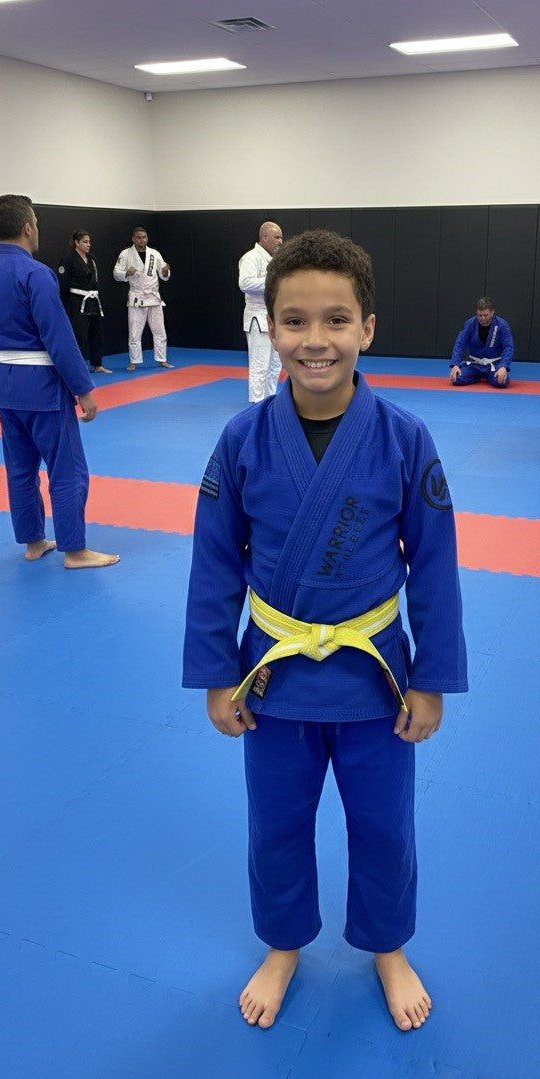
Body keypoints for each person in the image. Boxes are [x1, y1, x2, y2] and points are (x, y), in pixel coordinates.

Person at [183, 230, 467, 1033]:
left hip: (376, 678)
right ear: (270, 327)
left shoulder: (404, 438)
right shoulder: (241, 440)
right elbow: (213, 565)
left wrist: (431, 679)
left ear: (367, 328)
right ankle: (282, 945)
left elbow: (436, 566)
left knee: (383, 823)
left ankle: (386, 947)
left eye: (337, 320)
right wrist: (213, 673)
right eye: (297, 320)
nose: (317, 340)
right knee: (275, 823)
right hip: (272, 679)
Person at [0, 194, 120, 569]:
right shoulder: (36, 274)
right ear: (27, 228)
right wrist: (83, 390)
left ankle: (34, 542)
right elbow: (58, 336)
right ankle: (75, 549)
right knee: (66, 467)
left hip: (3, 383)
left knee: (20, 468)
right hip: (42, 388)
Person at [113, 226, 172, 371]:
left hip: (153, 296)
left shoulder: (155, 254)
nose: (142, 240)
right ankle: (134, 361)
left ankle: (162, 359)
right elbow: (116, 273)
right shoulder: (126, 254)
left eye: (144, 237)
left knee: (160, 331)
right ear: (133, 238)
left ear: (147, 238)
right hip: (137, 297)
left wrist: (165, 272)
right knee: (134, 332)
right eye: (139, 237)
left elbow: (164, 275)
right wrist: (126, 273)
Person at [238, 221, 284, 402]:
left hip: (275, 316)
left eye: (281, 236)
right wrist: (272, 281)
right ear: (264, 238)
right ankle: (257, 403)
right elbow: (245, 283)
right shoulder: (251, 257)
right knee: (260, 365)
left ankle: (270, 399)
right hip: (257, 316)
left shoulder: (274, 259)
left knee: (275, 365)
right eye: (277, 237)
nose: (281, 241)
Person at [57, 229, 112, 374]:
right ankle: (76, 366)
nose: (88, 245)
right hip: (77, 301)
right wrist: (66, 304)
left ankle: (98, 364)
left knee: (97, 333)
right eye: (85, 242)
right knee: (79, 335)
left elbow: (95, 281)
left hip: (92, 300)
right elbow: (63, 284)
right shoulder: (68, 259)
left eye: (89, 242)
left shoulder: (91, 259)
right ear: (76, 243)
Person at [449, 298, 513, 387]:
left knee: (501, 382)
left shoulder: (502, 325)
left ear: (492, 312)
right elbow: (460, 344)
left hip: (493, 365)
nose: (482, 318)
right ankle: (476, 376)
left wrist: (503, 366)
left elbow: (508, 347)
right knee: (456, 379)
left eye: (486, 315)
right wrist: (455, 365)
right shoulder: (470, 324)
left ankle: (489, 376)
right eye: (480, 315)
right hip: (475, 365)